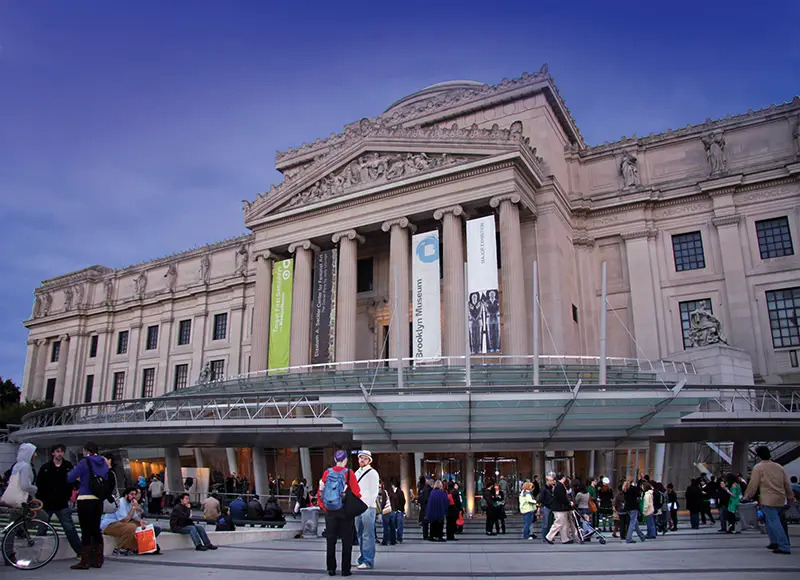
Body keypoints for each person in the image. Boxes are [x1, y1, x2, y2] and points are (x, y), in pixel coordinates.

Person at [66, 441, 111, 569]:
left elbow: (70, 477)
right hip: (98, 499)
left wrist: (80, 478)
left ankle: (85, 560)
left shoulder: (84, 462)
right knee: (96, 529)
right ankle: (98, 559)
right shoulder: (103, 462)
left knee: (86, 530)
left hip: (85, 497)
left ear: (86, 451)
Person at [743, 446, 796, 555]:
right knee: (771, 521)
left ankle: (784, 546)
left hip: (768, 499)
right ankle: (774, 542)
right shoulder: (779, 467)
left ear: (758, 456)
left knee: (773, 522)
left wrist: (747, 496)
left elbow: (754, 484)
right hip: (781, 498)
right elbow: (786, 483)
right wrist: (791, 496)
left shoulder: (758, 468)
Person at [319, 449, 361, 577]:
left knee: (330, 540)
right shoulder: (349, 473)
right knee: (346, 541)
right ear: (346, 460)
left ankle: (331, 569)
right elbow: (356, 492)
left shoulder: (327, 473)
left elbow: (320, 493)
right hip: (345, 512)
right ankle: (345, 570)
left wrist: (326, 508)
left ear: (335, 460)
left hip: (330, 512)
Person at [35, 443, 82, 556]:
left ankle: (80, 552)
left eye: (61, 451)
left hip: (62, 503)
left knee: (69, 528)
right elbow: (39, 484)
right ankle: (36, 553)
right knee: (42, 527)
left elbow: (74, 480)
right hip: (47, 503)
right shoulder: (46, 467)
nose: (59, 454)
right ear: (53, 453)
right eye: (57, 451)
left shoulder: (67, 466)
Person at [101, 486, 162, 555]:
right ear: (126, 495)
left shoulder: (130, 503)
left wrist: (140, 521)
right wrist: (133, 507)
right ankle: (120, 548)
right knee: (131, 527)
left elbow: (135, 516)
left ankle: (138, 547)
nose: (134, 496)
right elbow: (125, 520)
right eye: (131, 494)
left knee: (143, 526)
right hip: (110, 525)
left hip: (120, 524)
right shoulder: (121, 502)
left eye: (135, 494)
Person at [354, 450, 379, 570]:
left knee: (367, 535)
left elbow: (374, 492)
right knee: (360, 534)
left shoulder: (373, 473)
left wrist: (366, 505)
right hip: (358, 507)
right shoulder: (356, 473)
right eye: (360, 458)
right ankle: (363, 558)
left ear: (369, 460)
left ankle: (368, 560)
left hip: (367, 508)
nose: (362, 460)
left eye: (365, 458)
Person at [544, 474, 573, 545]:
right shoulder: (560, 486)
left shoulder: (557, 485)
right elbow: (563, 497)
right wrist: (569, 503)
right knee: (559, 522)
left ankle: (565, 539)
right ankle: (549, 536)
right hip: (560, 508)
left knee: (563, 524)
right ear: (563, 478)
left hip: (559, 508)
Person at [623, 479, 646, 544]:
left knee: (635, 523)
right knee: (632, 523)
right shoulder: (633, 488)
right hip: (633, 507)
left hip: (627, 507)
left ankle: (641, 536)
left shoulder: (625, 488)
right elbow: (638, 494)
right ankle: (628, 538)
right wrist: (639, 487)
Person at [387, 479, 406, 543]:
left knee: (399, 525)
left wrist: (400, 508)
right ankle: (392, 538)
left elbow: (403, 501)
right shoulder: (390, 492)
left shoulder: (400, 492)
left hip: (398, 510)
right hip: (393, 510)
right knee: (392, 525)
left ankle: (399, 538)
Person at [538, 473, 555, 541]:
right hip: (546, 507)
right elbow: (541, 498)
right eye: (551, 481)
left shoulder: (551, 488)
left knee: (550, 522)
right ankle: (544, 536)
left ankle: (549, 536)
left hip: (551, 506)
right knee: (546, 523)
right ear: (547, 481)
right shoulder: (544, 489)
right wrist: (545, 504)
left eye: (552, 481)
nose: (552, 482)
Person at [418, 475, 433, 540]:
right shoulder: (428, 489)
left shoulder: (424, 488)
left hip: (424, 507)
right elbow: (427, 499)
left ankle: (426, 535)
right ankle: (426, 535)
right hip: (426, 507)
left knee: (425, 523)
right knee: (427, 522)